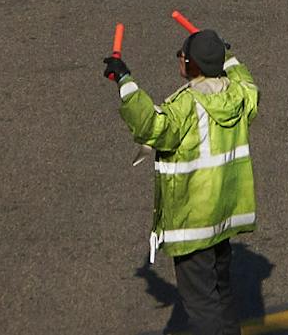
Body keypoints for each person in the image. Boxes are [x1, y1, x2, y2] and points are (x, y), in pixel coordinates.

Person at [105, 27, 260, 335]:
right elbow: (244, 77)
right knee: (221, 292)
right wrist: (225, 54)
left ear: (194, 65)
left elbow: (151, 126)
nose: (179, 59)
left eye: (183, 56)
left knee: (202, 306)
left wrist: (125, 81)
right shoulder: (240, 95)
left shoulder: (187, 105)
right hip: (224, 215)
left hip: (194, 221)